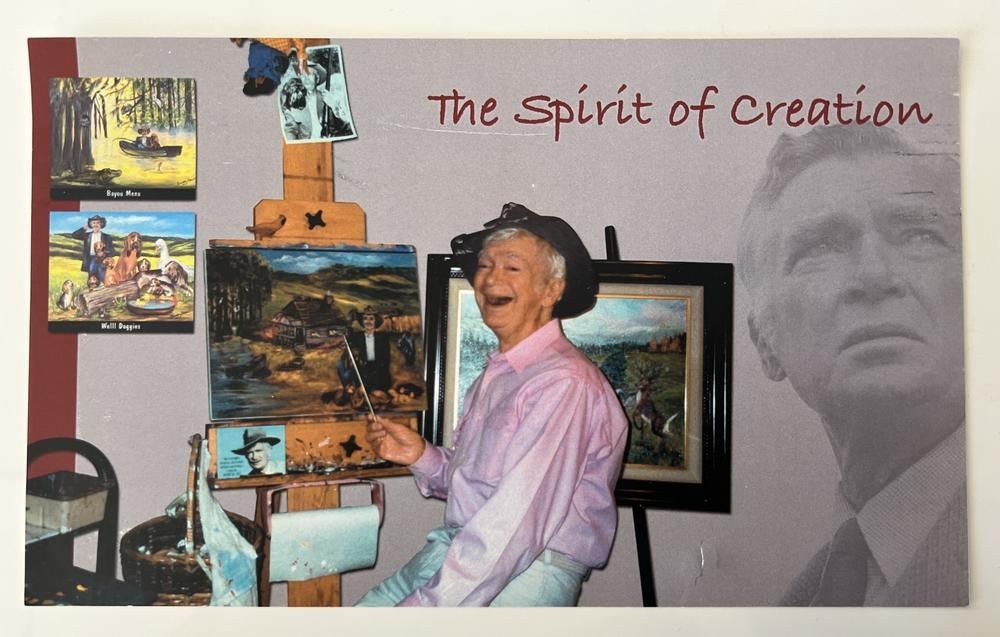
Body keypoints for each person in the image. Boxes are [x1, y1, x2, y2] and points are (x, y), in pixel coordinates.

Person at [737, 124, 967, 606]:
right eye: (821, 247)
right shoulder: (800, 604)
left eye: (919, 235)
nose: (875, 276)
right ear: (765, 342)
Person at [357, 202, 628, 607]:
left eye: (512, 267)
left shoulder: (564, 382)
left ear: (552, 289)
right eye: (484, 265)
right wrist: (422, 456)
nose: (490, 278)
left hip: (523, 572)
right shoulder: (501, 372)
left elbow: (515, 523)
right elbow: (482, 487)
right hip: (465, 552)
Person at [337, 305, 393, 394]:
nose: (368, 322)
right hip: (361, 371)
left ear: (375, 321)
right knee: (341, 366)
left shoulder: (382, 338)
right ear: (362, 321)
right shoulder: (357, 336)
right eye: (365, 319)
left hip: (378, 373)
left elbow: (386, 360)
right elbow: (347, 339)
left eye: (371, 319)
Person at [71, 215, 116, 281]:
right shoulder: (87, 235)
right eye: (94, 223)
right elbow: (74, 235)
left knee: (103, 277)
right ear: (91, 224)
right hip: (90, 259)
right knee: (92, 278)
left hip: (103, 260)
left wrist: (104, 253)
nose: (95, 225)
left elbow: (112, 251)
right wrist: (83, 228)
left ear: (101, 224)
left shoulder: (107, 237)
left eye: (98, 223)